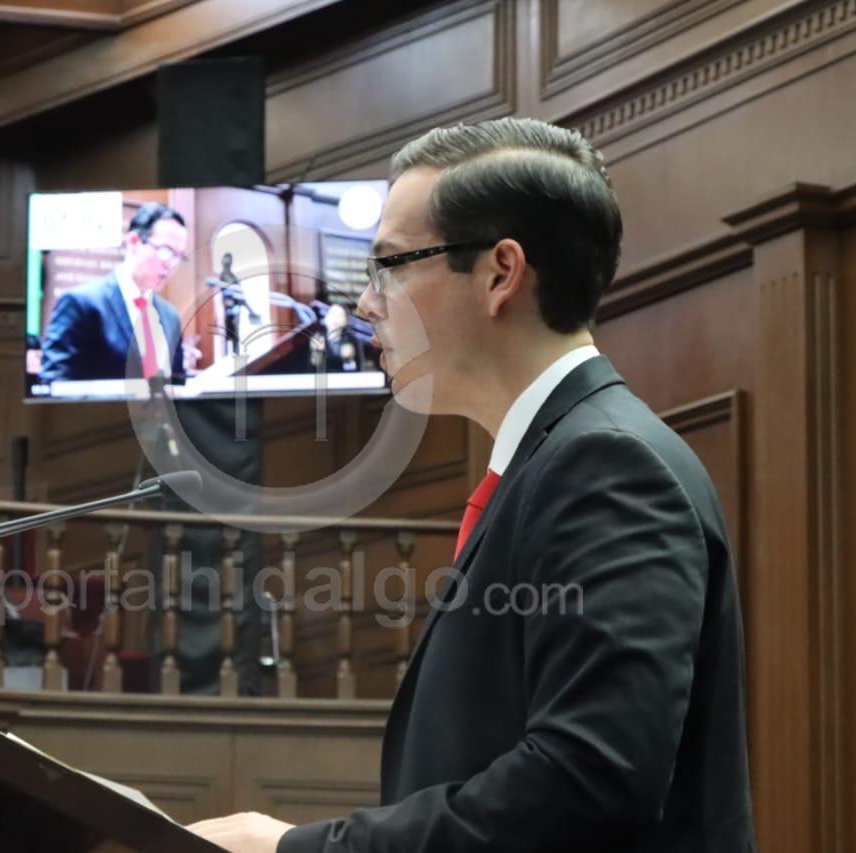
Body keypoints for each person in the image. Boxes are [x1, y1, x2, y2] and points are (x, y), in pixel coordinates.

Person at [188, 117, 755, 851]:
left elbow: (587, 783)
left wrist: (300, 849)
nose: (365, 305)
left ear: (500, 273)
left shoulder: (608, 465)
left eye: (389, 266)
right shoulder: (557, 462)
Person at [40, 202, 189, 383]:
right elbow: (54, 383)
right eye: (166, 250)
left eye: (179, 256)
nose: (171, 264)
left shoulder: (170, 316)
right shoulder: (81, 304)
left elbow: (177, 383)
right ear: (133, 242)